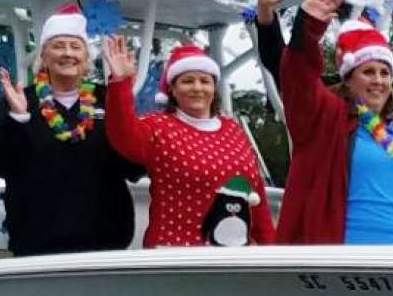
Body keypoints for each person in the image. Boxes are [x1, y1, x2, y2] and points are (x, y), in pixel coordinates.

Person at [276, 0, 393, 245]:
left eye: (385, 73)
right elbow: (298, 78)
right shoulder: (328, 115)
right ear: (348, 78)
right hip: (343, 264)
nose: (378, 81)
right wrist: (307, 27)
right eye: (368, 72)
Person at [0, 2, 144, 257]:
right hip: (36, 244)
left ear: (87, 58)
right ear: (43, 56)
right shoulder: (21, 100)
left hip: (105, 243)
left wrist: (122, 90)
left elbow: (135, 166)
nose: (68, 53)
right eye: (58, 46)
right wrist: (17, 119)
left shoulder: (108, 100)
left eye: (76, 47)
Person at [102, 33, 273, 247]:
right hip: (175, 256)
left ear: (214, 88)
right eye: (187, 81)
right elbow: (122, 135)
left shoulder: (233, 130)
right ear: (172, 89)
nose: (197, 88)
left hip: (233, 258)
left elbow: (256, 197)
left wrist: (269, 248)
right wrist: (121, 83)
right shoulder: (158, 126)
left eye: (205, 81)